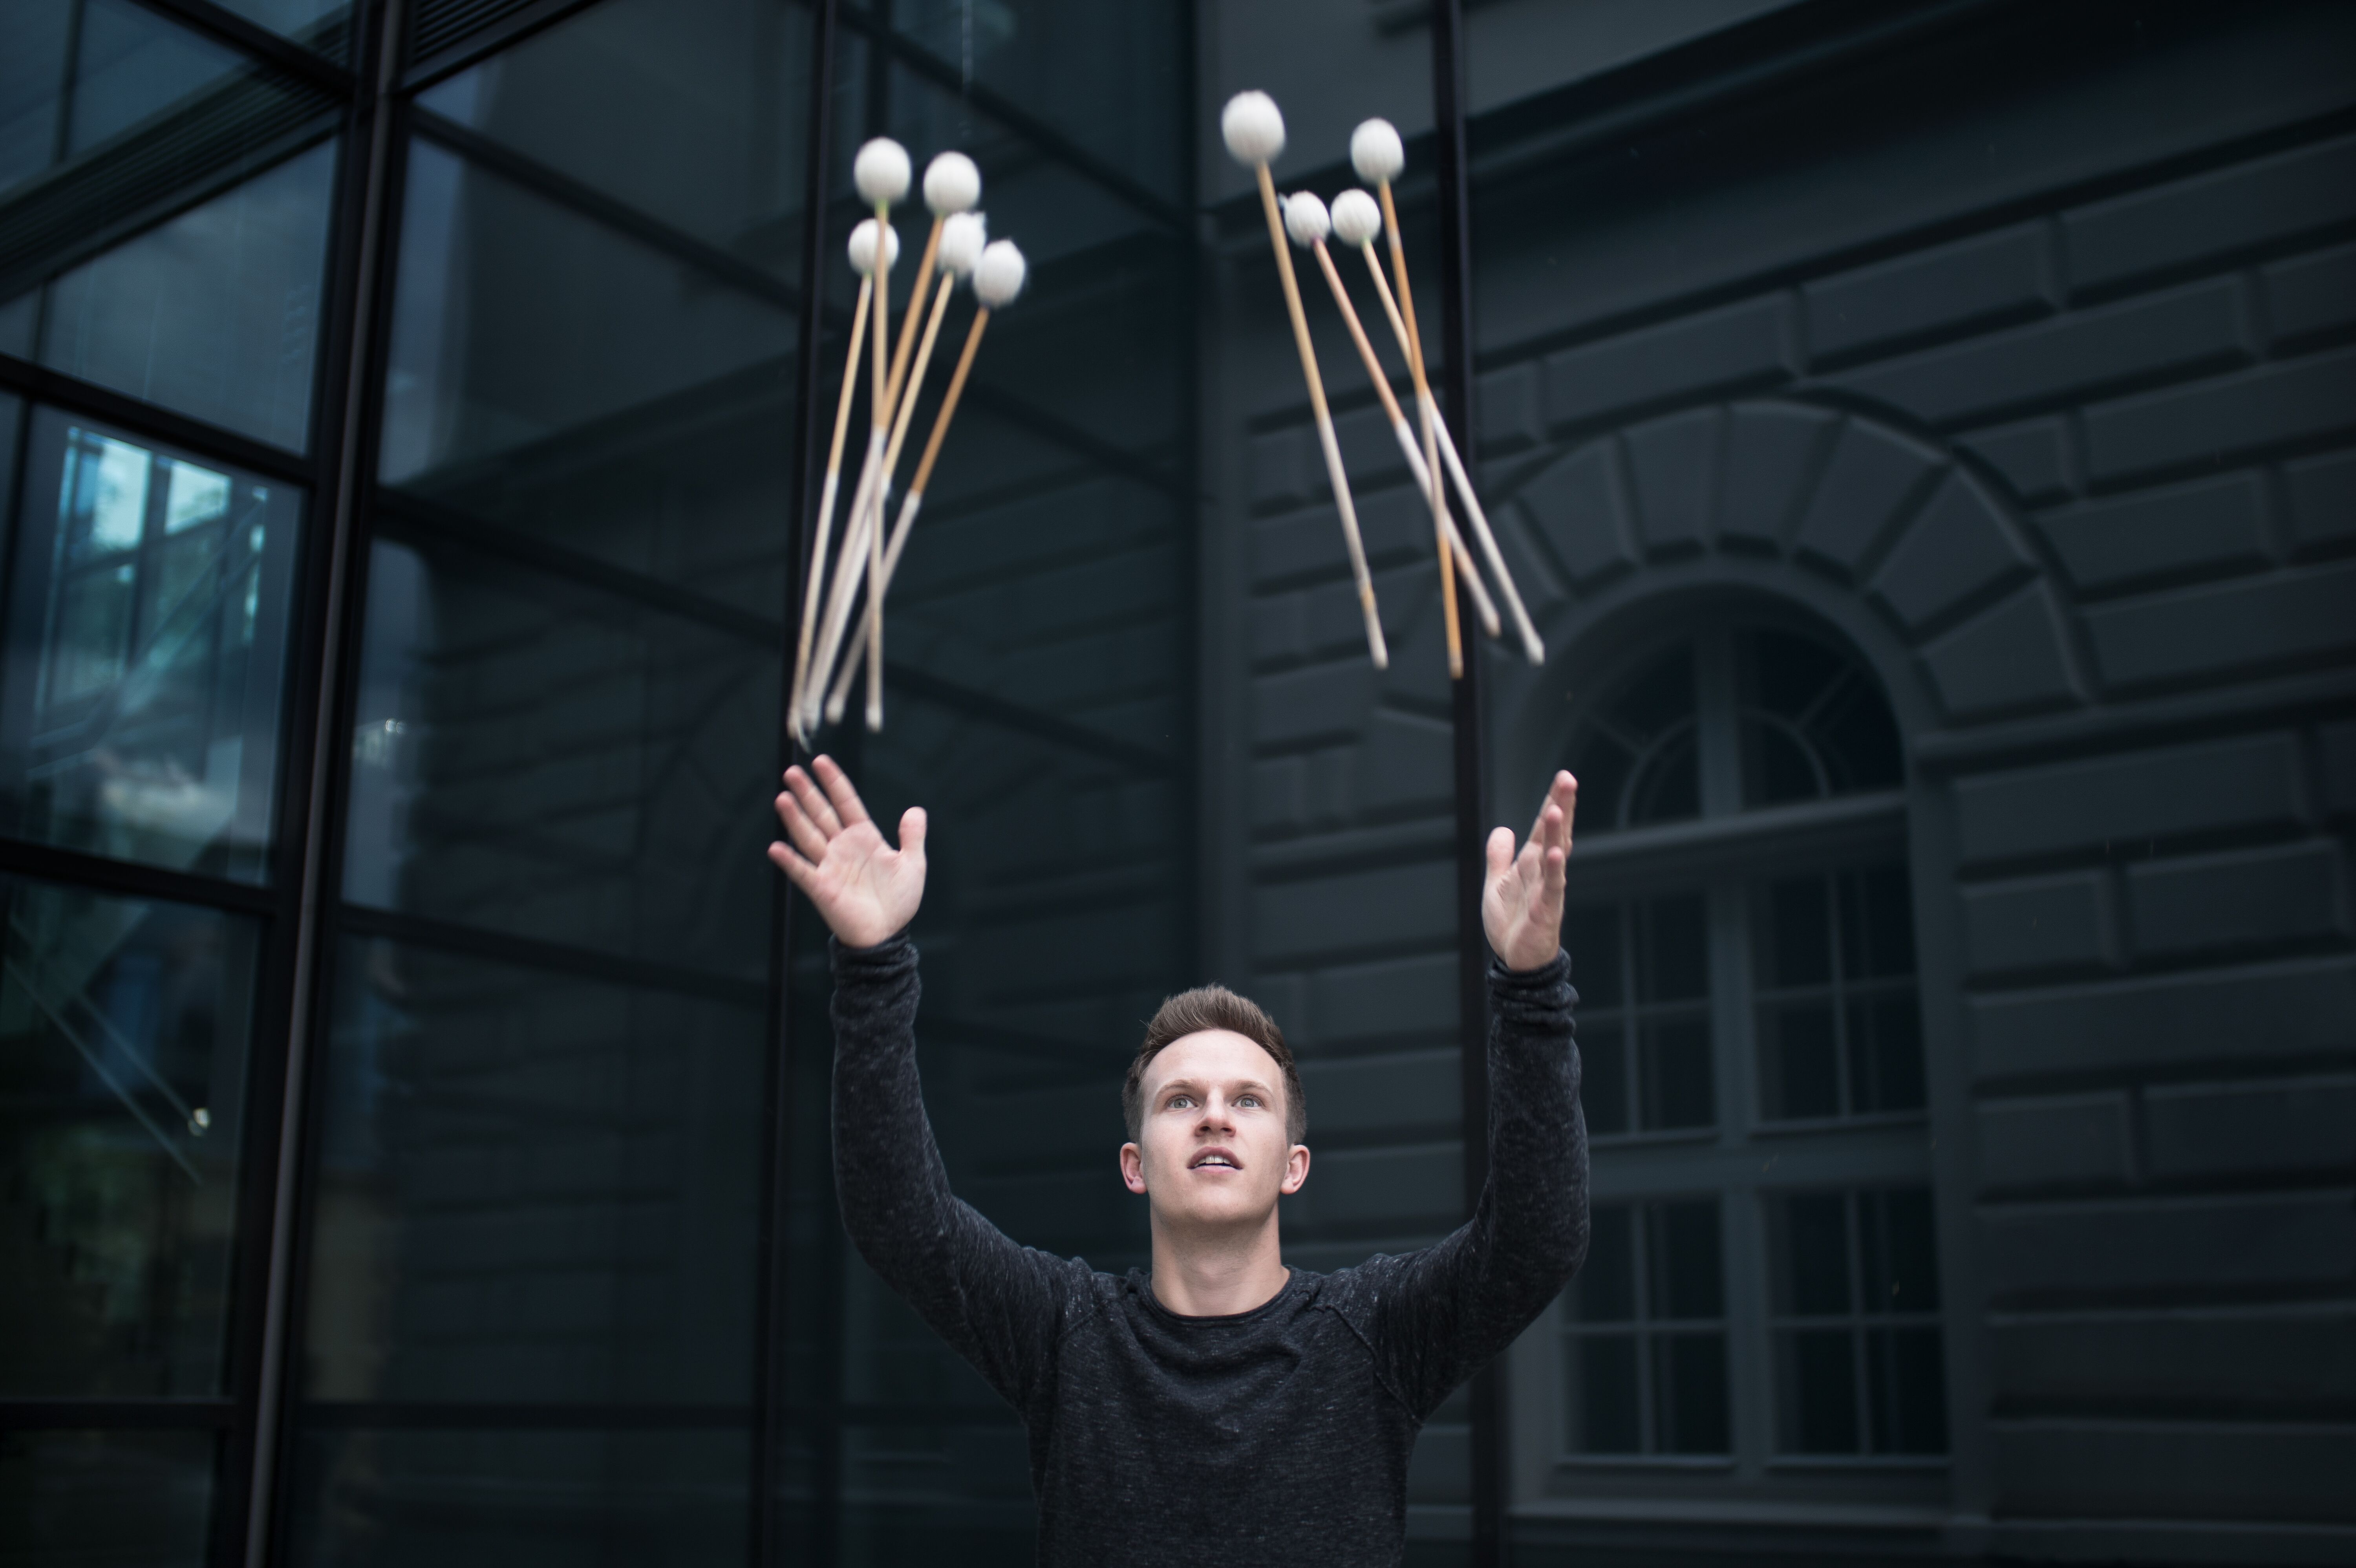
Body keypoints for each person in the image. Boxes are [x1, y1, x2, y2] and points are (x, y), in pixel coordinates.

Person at [767, 755, 1588, 1568]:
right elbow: (904, 1224)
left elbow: (1535, 1240)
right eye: (1182, 1100)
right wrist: (874, 966)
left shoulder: (1373, 1332)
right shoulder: (1066, 1334)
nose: (1216, 1118)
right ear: (1135, 1164)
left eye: (1249, 1100)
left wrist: (1530, 986)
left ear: (1294, 1165)